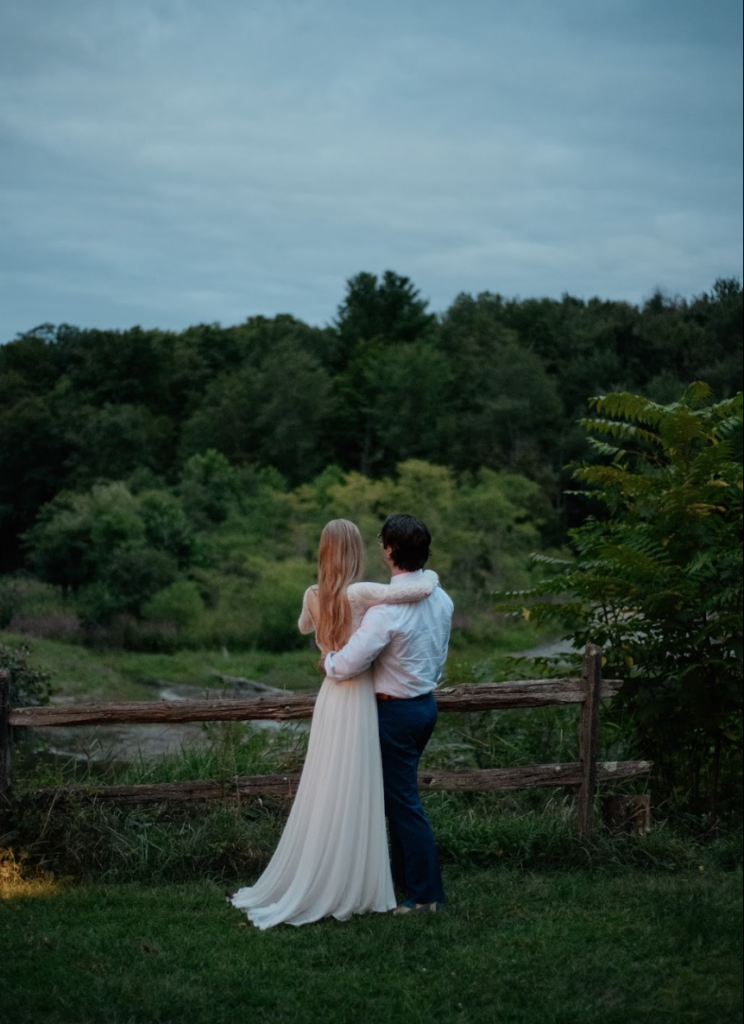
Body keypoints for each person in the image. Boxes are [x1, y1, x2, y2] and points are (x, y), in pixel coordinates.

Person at [228, 518, 439, 929]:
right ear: (356, 551)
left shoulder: (313, 596)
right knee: (359, 787)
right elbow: (415, 589)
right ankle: (361, 878)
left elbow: (306, 626)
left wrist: (325, 653)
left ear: (324, 552)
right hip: (358, 695)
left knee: (327, 783)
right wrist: (431, 575)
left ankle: (332, 870)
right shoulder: (360, 594)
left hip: (330, 699)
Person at [322, 513, 454, 914]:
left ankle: (426, 896)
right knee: (399, 800)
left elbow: (348, 665)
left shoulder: (384, 611)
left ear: (390, 551)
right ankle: (404, 881)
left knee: (403, 803)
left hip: (395, 715)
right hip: (424, 707)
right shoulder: (442, 598)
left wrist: (327, 658)